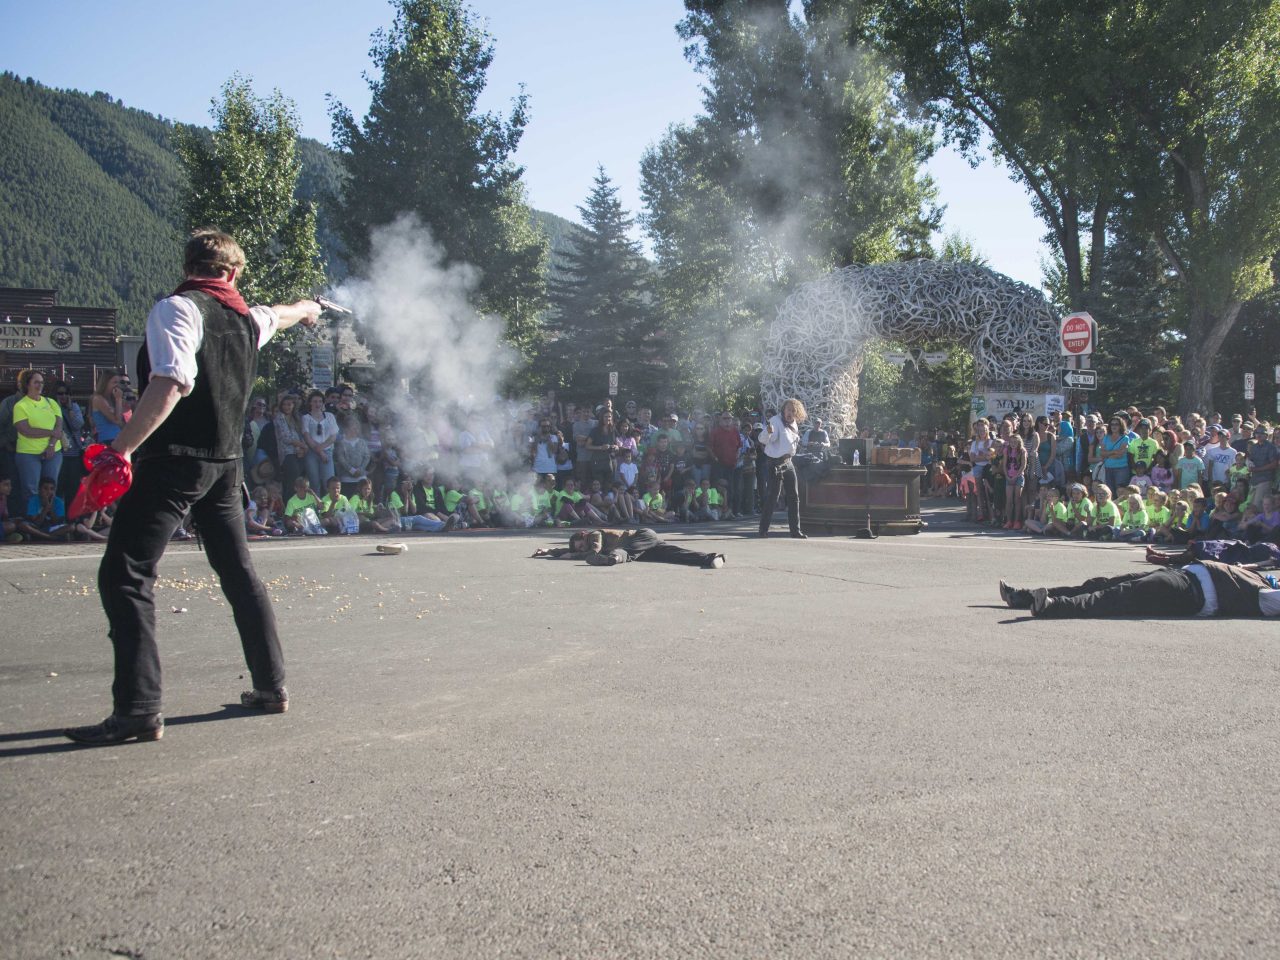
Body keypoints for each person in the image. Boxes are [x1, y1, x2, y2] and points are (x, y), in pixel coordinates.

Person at [64, 228, 321, 746]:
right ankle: (271, 687)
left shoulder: (176, 309)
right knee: (239, 575)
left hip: (175, 464)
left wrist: (122, 450)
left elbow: (171, 382)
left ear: (191, 268)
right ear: (232, 273)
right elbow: (281, 313)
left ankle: (138, 709)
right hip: (225, 466)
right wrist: (308, 307)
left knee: (126, 574)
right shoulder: (245, 318)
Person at [997, 558, 1280, 618]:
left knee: (1114, 597)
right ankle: (1023, 597)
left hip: (1189, 593)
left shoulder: (1263, 595)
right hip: (1181, 574)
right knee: (1103, 584)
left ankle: (1051, 607)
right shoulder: (1260, 578)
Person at [531, 527, 725, 568]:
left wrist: (573, 557)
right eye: (579, 549)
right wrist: (550, 552)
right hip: (645, 546)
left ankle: (612, 560)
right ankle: (709, 558)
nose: (582, 550)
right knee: (673, 555)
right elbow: (576, 551)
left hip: (643, 535)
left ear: (584, 536)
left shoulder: (594, 534)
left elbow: (594, 551)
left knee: (623, 553)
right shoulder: (582, 545)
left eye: (581, 546)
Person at [12, 369, 64, 503]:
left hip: (53, 452)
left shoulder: (51, 402)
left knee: (51, 488)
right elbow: (26, 430)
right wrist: (50, 432)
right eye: (36, 382)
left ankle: (50, 519)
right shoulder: (20, 405)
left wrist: (51, 444)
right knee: (31, 489)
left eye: (41, 382)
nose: (40, 385)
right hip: (28, 454)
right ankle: (32, 520)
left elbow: (58, 426)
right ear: (27, 384)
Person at [758, 397, 807, 538]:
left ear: (796, 412)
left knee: (794, 496)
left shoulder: (794, 424)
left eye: (793, 410)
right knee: (773, 497)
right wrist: (768, 432)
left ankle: (795, 530)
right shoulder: (775, 421)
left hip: (788, 462)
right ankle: (763, 530)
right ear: (783, 410)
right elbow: (763, 440)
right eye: (788, 410)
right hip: (775, 463)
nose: (790, 413)